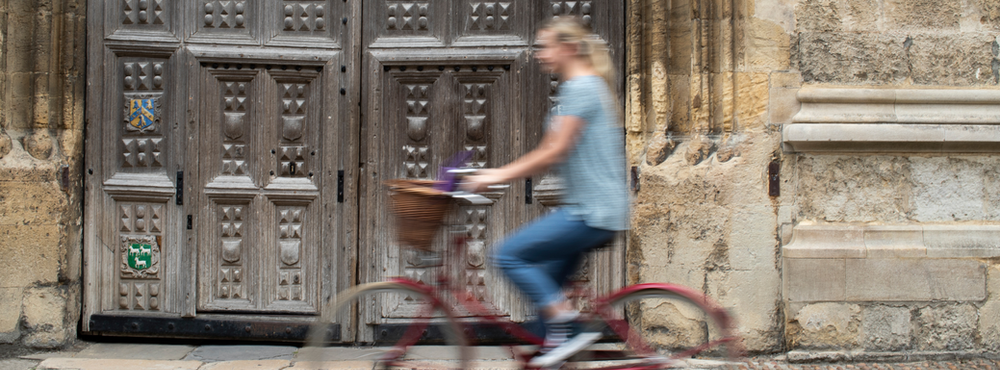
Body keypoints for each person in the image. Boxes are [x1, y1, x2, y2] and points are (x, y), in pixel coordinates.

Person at [462, 16, 630, 368]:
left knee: (507, 255)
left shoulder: (582, 87)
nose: (538, 54)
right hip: (590, 208)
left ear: (568, 48)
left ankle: (568, 327)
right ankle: (557, 342)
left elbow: (554, 151)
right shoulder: (583, 86)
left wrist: (497, 176)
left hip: (591, 212)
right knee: (544, 311)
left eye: (545, 45)